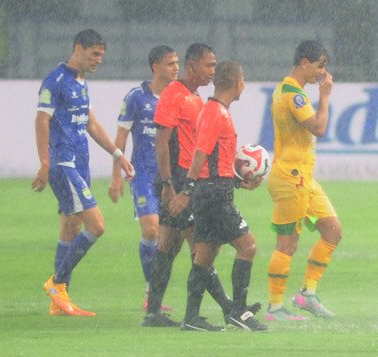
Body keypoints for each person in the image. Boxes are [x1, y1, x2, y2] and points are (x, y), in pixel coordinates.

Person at [33, 29, 134, 316]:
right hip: (63, 164)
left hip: (80, 163)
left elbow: (91, 124)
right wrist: (45, 163)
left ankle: (58, 303)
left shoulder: (80, 82)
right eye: (94, 54)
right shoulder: (56, 80)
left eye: (101, 55)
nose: (99, 60)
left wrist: (118, 155)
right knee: (97, 226)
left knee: (71, 226)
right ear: (78, 48)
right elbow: (41, 120)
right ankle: (58, 283)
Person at [167, 61, 268, 332]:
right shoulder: (215, 113)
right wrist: (187, 191)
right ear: (237, 83)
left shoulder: (215, 110)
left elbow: (214, 160)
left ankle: (191, 318)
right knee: (248, 247)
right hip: (213, 194)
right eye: (243, 81)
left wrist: (238, 182)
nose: (243, 86)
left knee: (204, 256)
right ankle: (239, 312)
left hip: (213, 189)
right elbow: (200, 154)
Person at [143, 43, 233, 327]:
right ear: (193, 65)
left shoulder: (195, 97)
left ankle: (154, 313)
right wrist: (169, 184)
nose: (213, 71)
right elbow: (160, 143)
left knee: (169, 245)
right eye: (209, 65)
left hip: (185, 179)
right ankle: (222, 310)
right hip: (179, 181)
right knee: (202, 247)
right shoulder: (174, 94)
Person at [265, 40, 341, 321]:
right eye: (320, 65)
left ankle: (306, 294)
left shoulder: (289, 90)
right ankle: (274, 308)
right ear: (304, 63)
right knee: (287, 244)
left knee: (332, 230)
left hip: (304, 180)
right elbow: (319, 128)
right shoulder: (292, 95)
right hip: (290, 180)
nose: (322, 72)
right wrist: (326, 95)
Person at [108, 45, 179, 311]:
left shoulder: (179, 97)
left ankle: (156, 292)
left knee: (169, 238)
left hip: (170, 177)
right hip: (143, 175)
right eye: (170, 63)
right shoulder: (136, 98)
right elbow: (120, 139)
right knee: (151, 229)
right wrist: (117, 175)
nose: (176, 68)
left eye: (177, 63)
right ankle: (152, 293)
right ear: (155, 67)